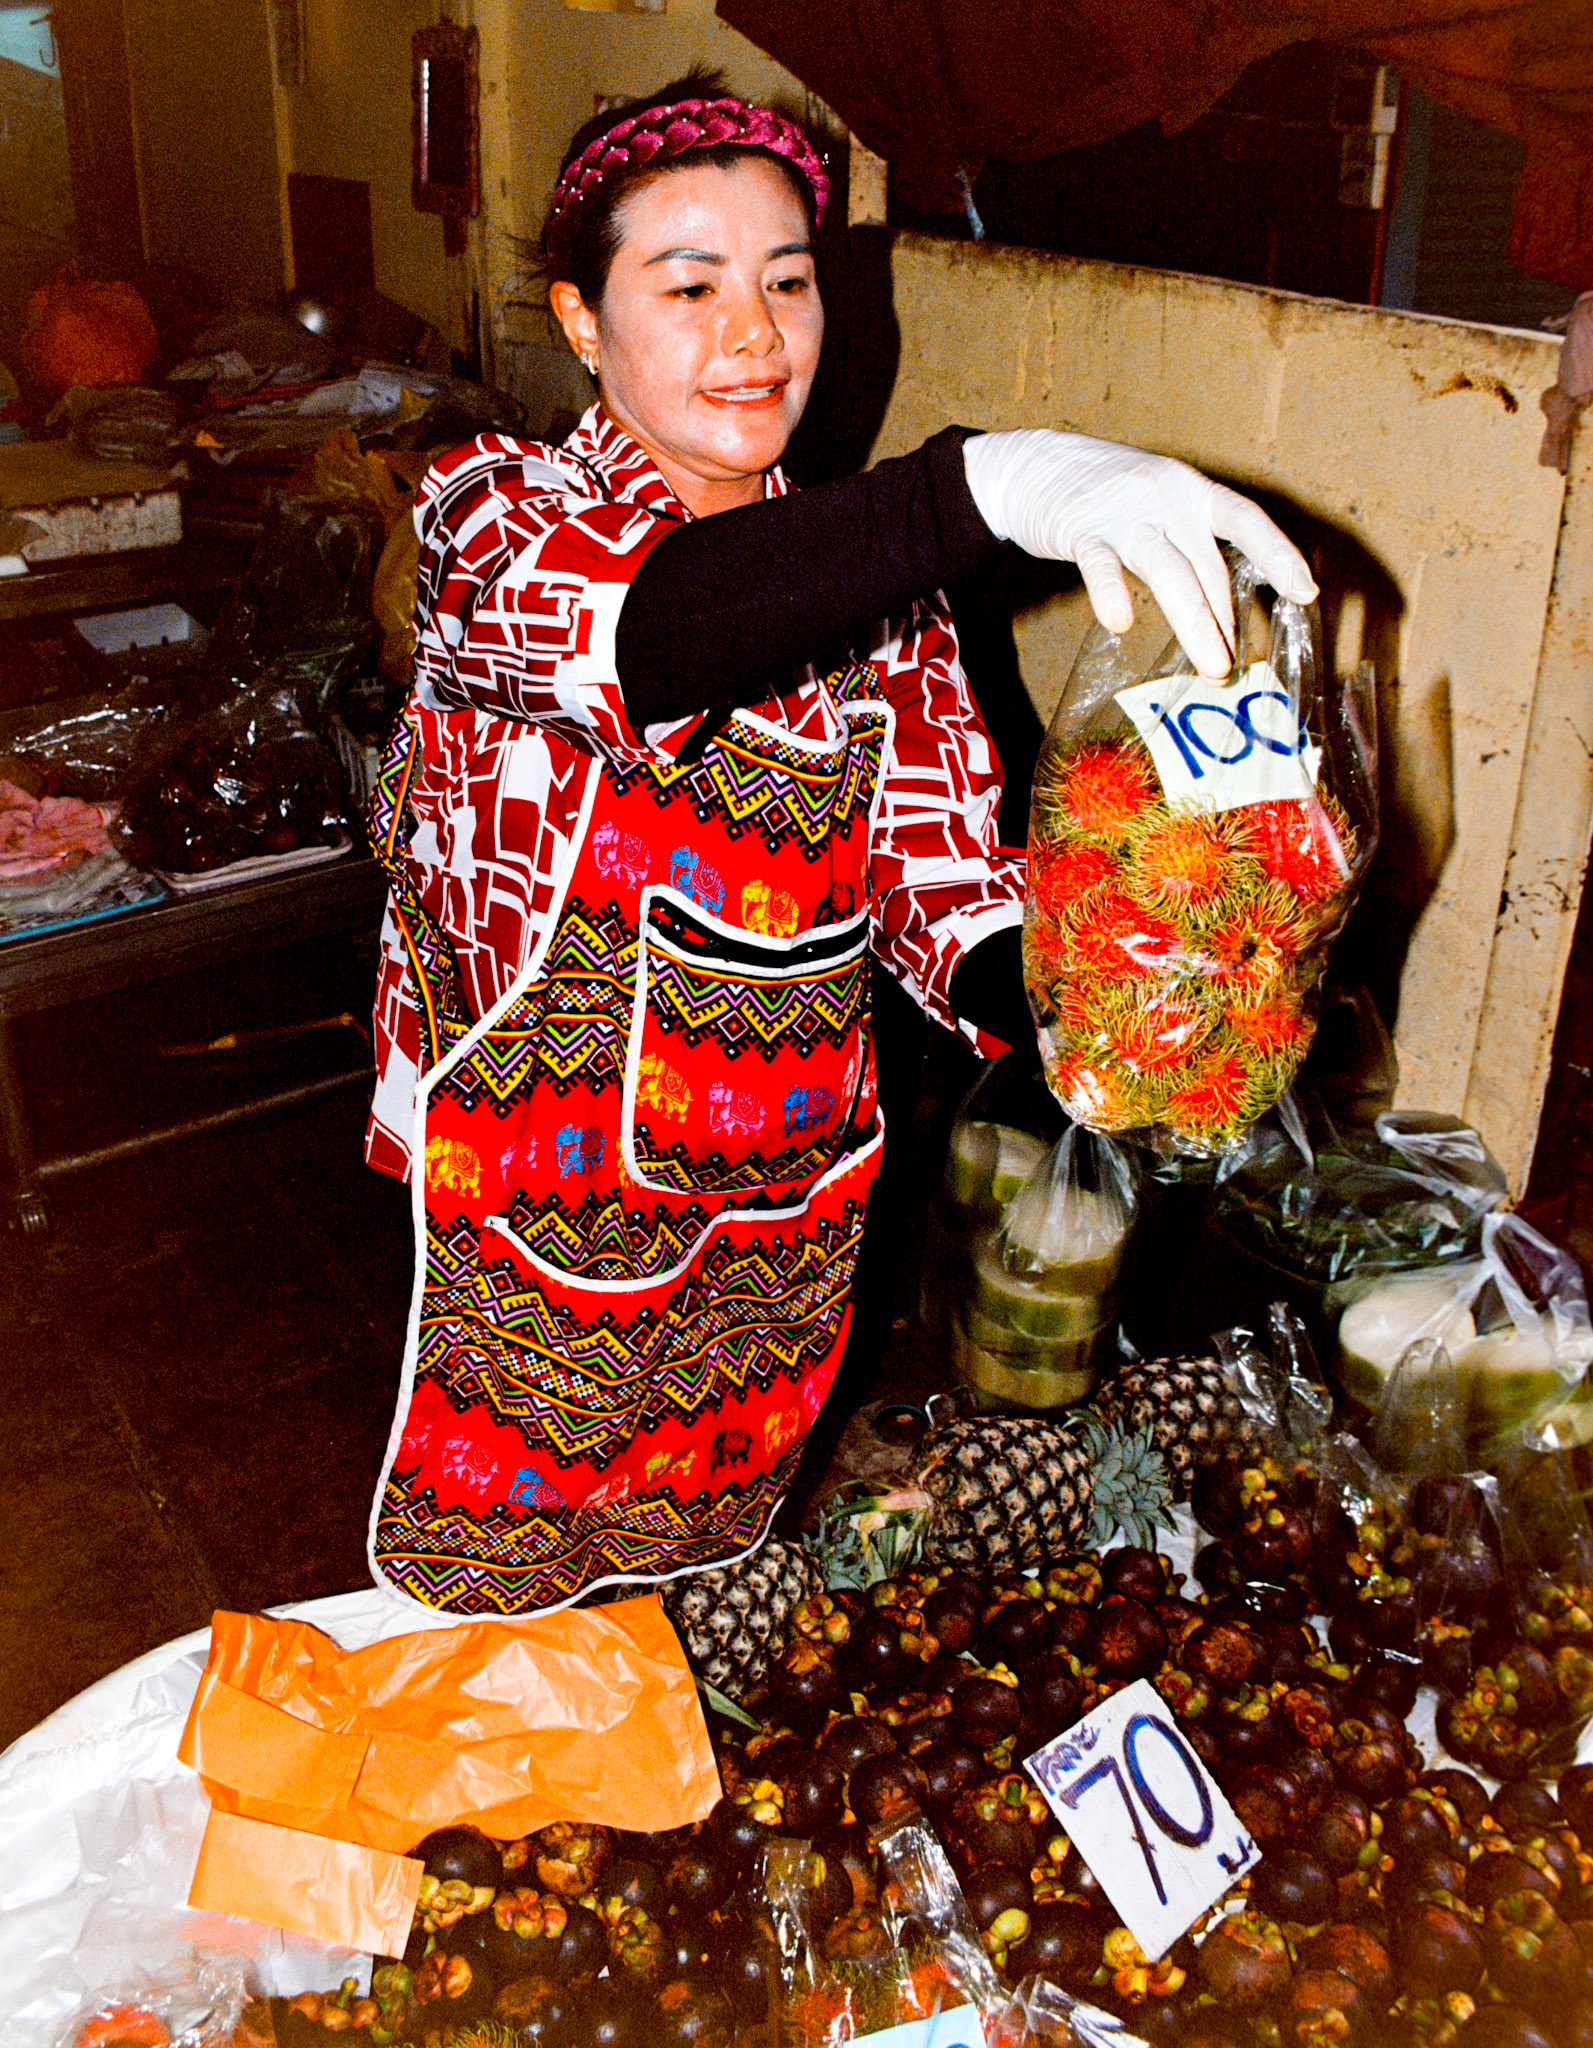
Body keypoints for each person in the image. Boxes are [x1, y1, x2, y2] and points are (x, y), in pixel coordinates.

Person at [363, 75, 1315, 1616]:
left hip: (783, 1180)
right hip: (542, 1188)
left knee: (714, 1558)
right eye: (689, 287)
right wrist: (975, 487)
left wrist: (1094, 1009)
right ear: (583, 322)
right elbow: (651, 629)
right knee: (520, 1583)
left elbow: (933, 873)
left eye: (787, 282)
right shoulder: (493, 517)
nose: (754, 333)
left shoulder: (881, 591)